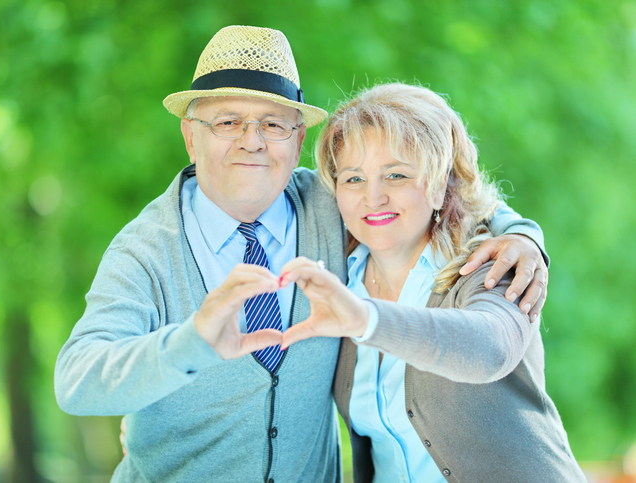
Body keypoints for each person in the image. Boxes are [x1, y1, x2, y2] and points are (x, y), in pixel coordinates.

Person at [55, 26, 549, 482]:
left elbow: (425, 187)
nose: (252, 141)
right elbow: (78, 378)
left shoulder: (333, 205)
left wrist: (522, 234)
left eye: (274, 124)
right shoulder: (146, 248)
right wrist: (190, 345)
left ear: (297, 141)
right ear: (190, 135)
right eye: (227, 121)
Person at [278, 83, 585, 482]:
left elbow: (488, 348)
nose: (374, 197)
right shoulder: (339, 273)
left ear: (440, 184)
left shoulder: (488, 264)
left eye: (397, 175)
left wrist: (367, 320)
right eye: (353, 179)